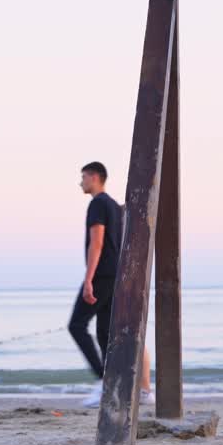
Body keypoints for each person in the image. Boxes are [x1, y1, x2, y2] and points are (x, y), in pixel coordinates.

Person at [69, 161, 152, 408]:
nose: (80, 182)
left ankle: (105, 381)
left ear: (95, 177)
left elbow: (97, 243)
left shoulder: (97, 204)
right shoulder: (115, 207)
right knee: (105, 333)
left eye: (83, 177)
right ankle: (114, 388)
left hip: (102, 275)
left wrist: (88, 279)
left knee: (77, 325)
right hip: (115, 275)